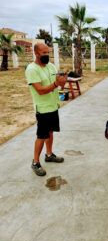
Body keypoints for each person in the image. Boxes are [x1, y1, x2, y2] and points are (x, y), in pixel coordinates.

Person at [25, 43, 67, 176]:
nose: (47, 55)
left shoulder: (51, 66)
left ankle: (49, 155)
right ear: (36, 54)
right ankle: (35, 162)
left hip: (53, 105)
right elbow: (40, 90)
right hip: (43, 109)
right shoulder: (32, 69)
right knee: (41, 136)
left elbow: (57, 84)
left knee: (50, 132)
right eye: (44, 53)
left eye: (48, 53)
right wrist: (56, 84)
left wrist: (62, 81)